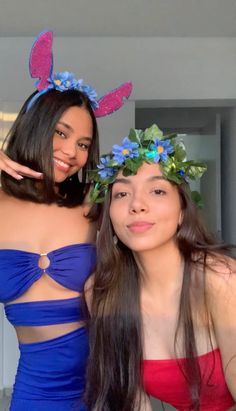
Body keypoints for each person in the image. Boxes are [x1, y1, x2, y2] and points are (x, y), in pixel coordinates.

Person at [0, 31, 131, 411]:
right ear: (35, 125)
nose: (71, 153)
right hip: (34, 393)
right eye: (61, 133)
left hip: (104, 388)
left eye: (84, 144)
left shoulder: (95, 204)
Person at [85, 124, 236, 411]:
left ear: (182, 211)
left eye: (156, 191)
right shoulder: (102, 291)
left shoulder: (220, 279)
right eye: (121, 194)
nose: (137, 205)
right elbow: (131, 398)